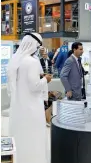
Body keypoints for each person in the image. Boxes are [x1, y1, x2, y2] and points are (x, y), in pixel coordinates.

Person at [7, 32, 52, 163]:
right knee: (34, 136)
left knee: (22, 135)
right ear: (33, 45)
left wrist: (40, 76)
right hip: (32, 109)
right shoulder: (31, 62)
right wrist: (46, 79)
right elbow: (34, 86)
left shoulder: (16, 59)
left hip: (19, 108)